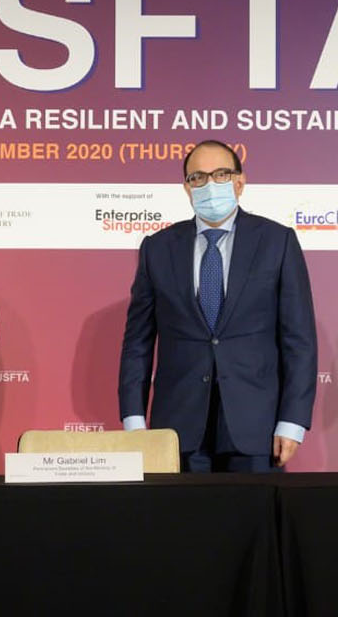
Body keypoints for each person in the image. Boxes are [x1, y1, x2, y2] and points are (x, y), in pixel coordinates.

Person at [118, 139, 317, 472]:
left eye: (221, 174)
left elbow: (299, 341)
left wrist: (292, 422)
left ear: (240, 182)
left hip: (257, 430)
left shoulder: (277, 242)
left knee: (251, 522)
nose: (209, 185)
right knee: (185, 525)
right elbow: (137, 343)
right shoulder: (157, 248)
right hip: (177, 430)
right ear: (186, 188)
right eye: (198, 178)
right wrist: (134, 422)